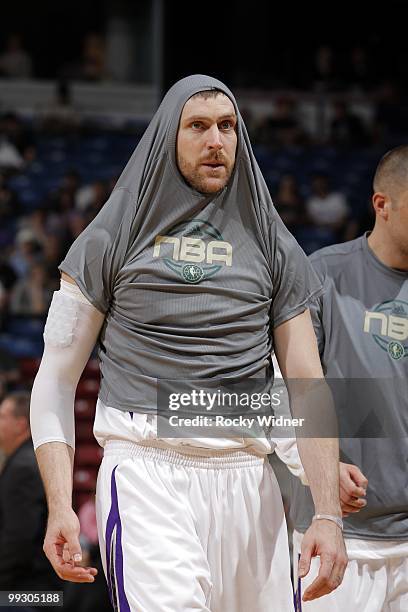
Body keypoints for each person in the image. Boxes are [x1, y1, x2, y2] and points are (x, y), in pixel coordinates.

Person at [30, 75, 347, 611]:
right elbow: (56, 381)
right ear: (166, 139)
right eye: (197, 126)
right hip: (147, 471)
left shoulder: (275, 245)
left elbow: (306, 384)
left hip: (251, 479)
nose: (216, 140)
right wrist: (60, 503)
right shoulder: (108, 239)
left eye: (227, 127)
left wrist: (327, 513)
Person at [290, 145, 408, 610]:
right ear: (382, 204)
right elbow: (288, 392)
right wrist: (320, 467)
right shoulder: (323, 274)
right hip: (337, 533)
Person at [0, 392, 62, 601]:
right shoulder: (26, 459)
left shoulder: (23, 467)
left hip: (28, 589)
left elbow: (19, 538)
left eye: (2, 417)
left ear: (21, 424)